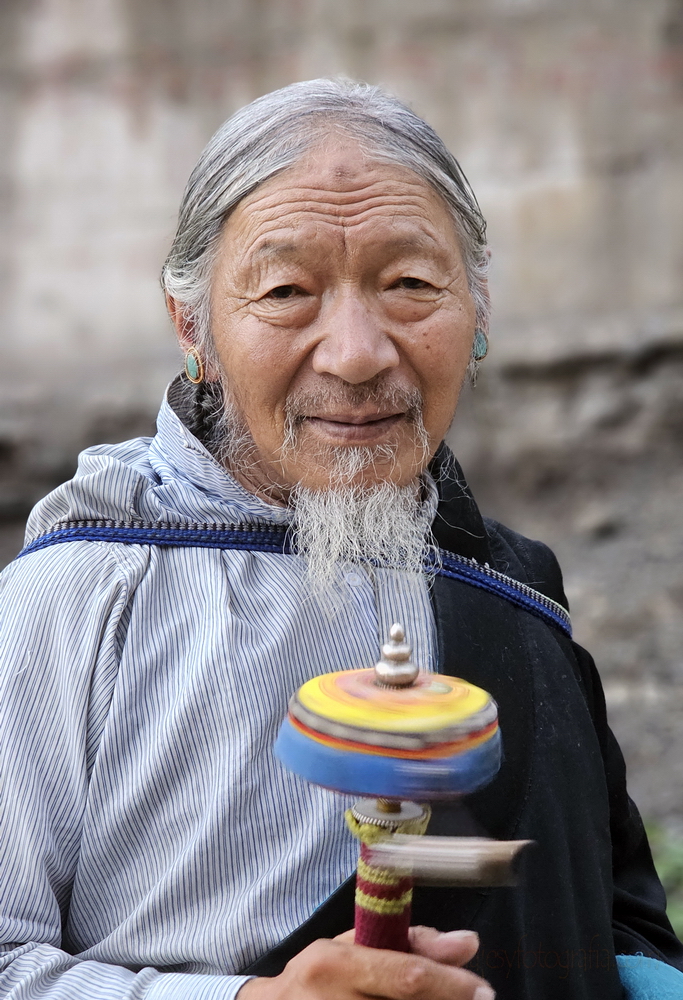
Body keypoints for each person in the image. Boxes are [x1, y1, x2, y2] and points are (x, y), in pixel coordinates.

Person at [0, 79, 681, 1000]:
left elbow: (611, 930)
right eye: (286, 291)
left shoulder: (515, 595)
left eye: (409, 284)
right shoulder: (83, 593)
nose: (356, 353)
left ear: (476, 313)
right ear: (192, 329)